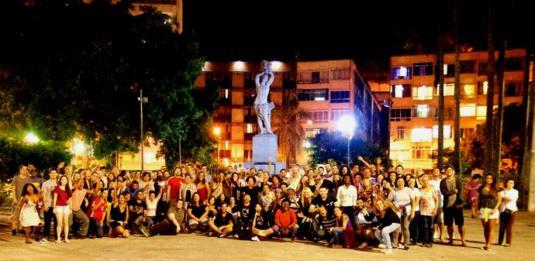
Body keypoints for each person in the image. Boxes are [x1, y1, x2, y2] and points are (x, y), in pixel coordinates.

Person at [473, 174, 501, 251]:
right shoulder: (481, 188)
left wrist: (496, 208)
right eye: (487, 178)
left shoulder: (496, 188)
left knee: (491, 228)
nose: (488, 179)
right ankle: (486, 243)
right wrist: (476, 208)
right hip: (484, 210)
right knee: (485, 228)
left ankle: (489, 245)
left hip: (492, 210)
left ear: (493, 179)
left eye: (490, 178)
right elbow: (477, 199)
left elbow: (499, 199)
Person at [440, 166, 466, 246]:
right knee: (449, 224)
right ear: (445, 172)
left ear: (453, 171)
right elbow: (444, 192)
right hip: (448, 206)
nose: (449, 171)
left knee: (460, 224)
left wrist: (459, 202)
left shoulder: (457, 180)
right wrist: (454, 191)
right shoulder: (443, 181)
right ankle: (451, 239)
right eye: (447, 170)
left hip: (457, 205)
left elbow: (461, 191)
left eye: (450, 170)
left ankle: (463, 240)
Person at [388, 177, 414, 250]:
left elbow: (413, 201)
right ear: (396, 183)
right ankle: (395, 243)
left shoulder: (408, 190)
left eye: (402, 181)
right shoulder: (394, 191)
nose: (400, 183)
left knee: (405, 227)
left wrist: (412, 211)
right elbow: (388, 201)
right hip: (397, 211)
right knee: (396, 227)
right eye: (399, 181)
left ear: (404, 182)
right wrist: (394, 207)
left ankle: (406, 244)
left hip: (407, 210)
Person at [11, 165, 31, 236]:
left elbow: (29, 189)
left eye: (26, 169)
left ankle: (20, 228)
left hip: (25, 200)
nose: (24, 171)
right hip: (17, 198)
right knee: (15, 214)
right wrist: (14, 198)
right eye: (23, 169)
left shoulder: (28, 179)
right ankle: (13, 228)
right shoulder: (16, 178)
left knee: (22, 214)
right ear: (20, 169)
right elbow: (13, 189)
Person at [419, 175, 438, 247]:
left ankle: (430, 241)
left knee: (431, 226)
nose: (425, 182)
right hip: (423, 209)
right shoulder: (421, 189)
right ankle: (424, 241)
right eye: (423, 181)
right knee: (424, 225)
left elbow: (436, 200)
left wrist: (435, 209)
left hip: (431, 209)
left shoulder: (432, 189)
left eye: (426, 180)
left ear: (428, 181)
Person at [498, 178, 518, 247]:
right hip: (503, 210)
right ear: (506, 183)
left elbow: (511, 199)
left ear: (513, 184)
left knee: (509, 227)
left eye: (512, 183)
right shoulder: (503, 191)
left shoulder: (515, 191)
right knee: (501, 227)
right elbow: (499, 198)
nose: (510, 184)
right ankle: (499, 241)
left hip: (512, 210)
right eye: (509, 182)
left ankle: (508, 242)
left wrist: (503, 198)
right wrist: (503, 198)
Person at [53, 175, 72, 242]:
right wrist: (54, 208)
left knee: (66, 223)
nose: (64, 181)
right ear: (60, 181)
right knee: (59, 223)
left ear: (67, 181)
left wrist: (70, 208)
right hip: (59, 207)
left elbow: (70, 199)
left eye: (65, 180)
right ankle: (58, 238)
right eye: (62, 179)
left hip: (66, 207)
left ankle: (66, 238)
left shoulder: (68, 189)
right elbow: (55, 199)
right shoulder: (57, 188)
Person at [41, 169, 58, 242]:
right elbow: (43, 195)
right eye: (52, 173)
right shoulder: (45, 183)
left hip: (57, 206)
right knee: (47, 222)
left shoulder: (59, 183)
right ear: (49, 174)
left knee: (57, 222)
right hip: (48, 205)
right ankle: (46, 236)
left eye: (55, 173)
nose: (53, 174)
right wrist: (45, 204)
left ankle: (57, 236)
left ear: (57, 174)